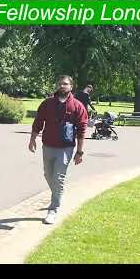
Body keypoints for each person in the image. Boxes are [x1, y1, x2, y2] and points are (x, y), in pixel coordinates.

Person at [28, 75, 88, 225]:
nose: (62, 86)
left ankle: (53, 209)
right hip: (48, 145)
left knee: (58, 178)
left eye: (66, 84)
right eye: (60, 83)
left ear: (71, 87)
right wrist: (32, 139)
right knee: (48, 175)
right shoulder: (47, 104)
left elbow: (82, 130)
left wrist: (79, 152)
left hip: (66, 148)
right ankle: (58, 193)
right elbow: (38, 122)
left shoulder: (77, 106)